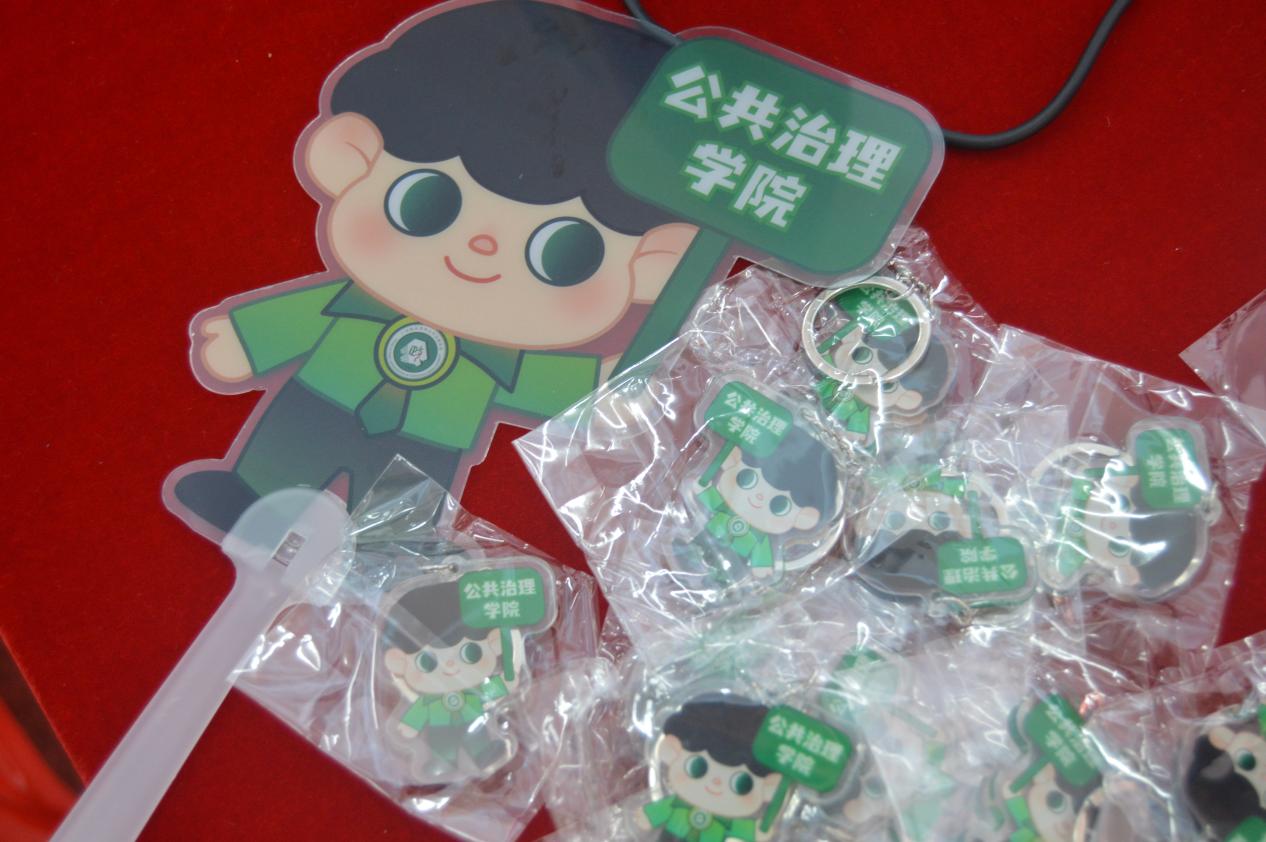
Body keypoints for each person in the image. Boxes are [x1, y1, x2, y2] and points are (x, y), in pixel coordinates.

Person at [168, 0, 699, 535]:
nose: (480, 249)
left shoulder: (506, 362)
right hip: (317, 402)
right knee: (282, 459)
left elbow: (550, 385)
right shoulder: (345, 307)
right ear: (350, 157)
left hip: (429, 442)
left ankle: (391, 545)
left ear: (653, 263)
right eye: (426, 204)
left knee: (398, 519)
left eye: (561, 255)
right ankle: (253, 496)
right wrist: (246, 338)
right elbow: (301, 317)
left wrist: (605, 381)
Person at [382, 579, 519, 781]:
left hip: (473, 718)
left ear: (494, 643)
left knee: (478, 739)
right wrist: (411, 726)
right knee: (442, 746)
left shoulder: (474, 691)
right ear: (398, 662)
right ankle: (442, 762)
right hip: (440, 727)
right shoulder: (428, 701)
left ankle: (484, 754)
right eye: (427, 662)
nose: (450, 666)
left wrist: (503, 684)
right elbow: (419, 710)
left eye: (470, 653)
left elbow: (488, 691)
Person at [637, 695, 784, 842]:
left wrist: (755, 832)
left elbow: (738, 828)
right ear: (671, 750)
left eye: (741, 784)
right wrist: (649, 816)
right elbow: (662, 810)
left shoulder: (725, 822)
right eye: (697, 768)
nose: (716, 783)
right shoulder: (677, 805)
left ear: (769, 787)